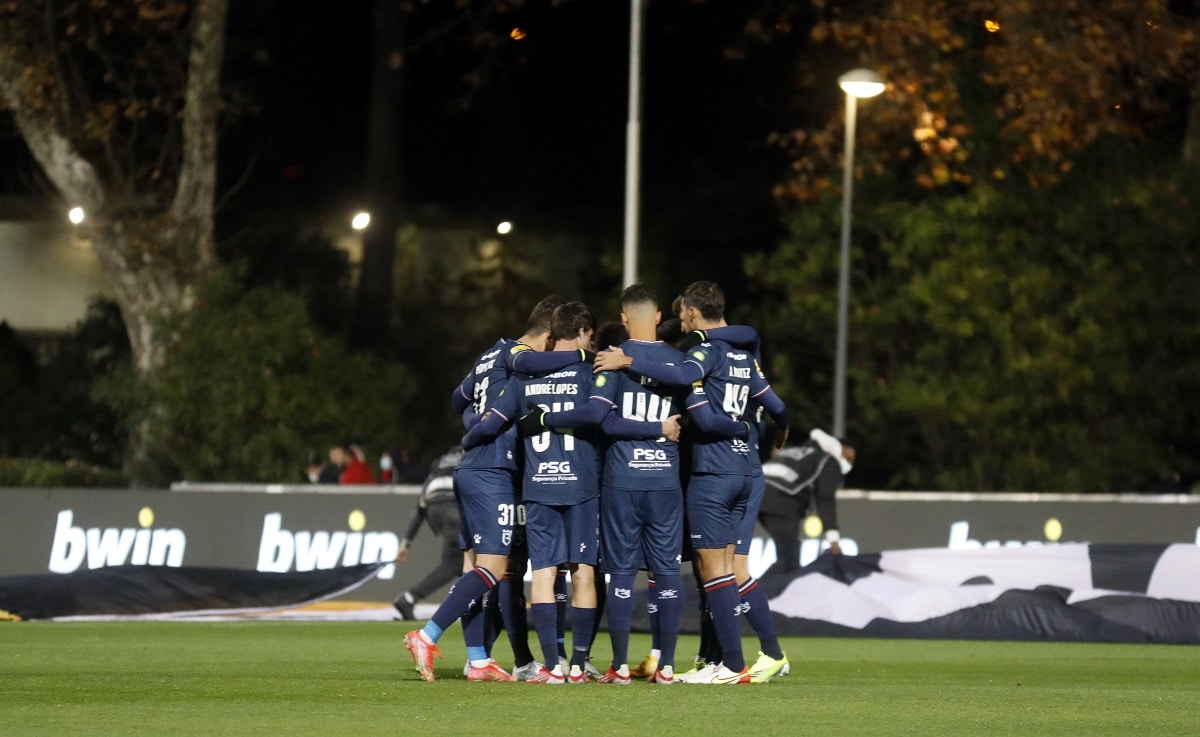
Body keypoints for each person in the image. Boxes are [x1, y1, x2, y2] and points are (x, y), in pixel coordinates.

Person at [595, 280, 789, 685]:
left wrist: (627, 362)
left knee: (713, 569)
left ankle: (739, 662)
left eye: (684, 312)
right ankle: (722, 657)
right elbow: (778, 406)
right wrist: (772, 436)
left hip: (708, 473)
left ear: (690, 314)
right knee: (724, 571)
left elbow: (690, 393)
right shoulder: (743, 354)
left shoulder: (697, 358)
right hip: (748, 471)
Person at [403, 294, 583, 683]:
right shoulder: (517, 354)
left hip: (470, 469)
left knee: (472, 565)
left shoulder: (489, 354)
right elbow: (529, 362)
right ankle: (427, 634)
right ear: (549, 335)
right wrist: (584, 358)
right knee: (495, 567)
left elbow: (458, 398)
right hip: (493, 470)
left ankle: (478, 658)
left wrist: (475, 418)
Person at [760, 429, 854, 575]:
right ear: (839, 449)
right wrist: (833, 539)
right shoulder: (829, 460)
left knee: (733, 550)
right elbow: (825, 499)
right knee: (789, 562)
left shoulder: (796, 451)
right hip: (781, 500)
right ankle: (752, 596)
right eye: (848, 457)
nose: (849, 463)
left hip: (751, 492)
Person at [393, 447, 465, 620]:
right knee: (457, 563)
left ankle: (472, 605)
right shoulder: (470, 458)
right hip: (454, 507)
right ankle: (409, 598)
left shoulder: (439, 464)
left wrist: (406, 542)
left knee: (461, 563)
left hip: (434, 508)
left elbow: (420, 505)